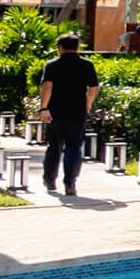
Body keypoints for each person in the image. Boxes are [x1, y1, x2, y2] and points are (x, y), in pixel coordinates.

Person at [38, 33, 100, 198]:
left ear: (60, 48)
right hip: (77, 111)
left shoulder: (52, 65)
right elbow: (93, 88)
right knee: (73, 147)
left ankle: (50, 180)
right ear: (77, 47)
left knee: (54, 146)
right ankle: (70, 183)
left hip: (55, 112)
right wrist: (88, 103)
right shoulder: (87, 65)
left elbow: (47, 87)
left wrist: (43, 108)